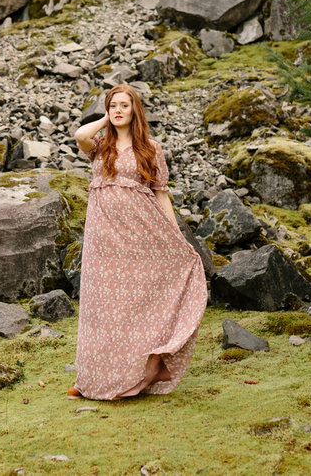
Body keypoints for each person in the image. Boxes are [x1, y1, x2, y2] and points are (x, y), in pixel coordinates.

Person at [68, 84, 207, 400]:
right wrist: (105, 119)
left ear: (135, 111)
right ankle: (89, 379)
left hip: (140, 233)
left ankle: (141, 371)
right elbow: (79, 135)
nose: (118, 110)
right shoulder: (100, 146)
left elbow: (160, 193)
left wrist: (176, 235)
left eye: (124, 106)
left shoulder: (150, 148)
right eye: (112, 105)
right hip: (103, 237)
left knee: (133, 304)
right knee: (100, 307)